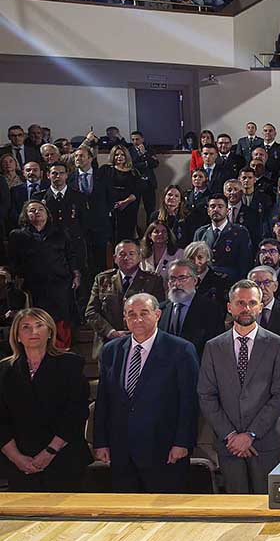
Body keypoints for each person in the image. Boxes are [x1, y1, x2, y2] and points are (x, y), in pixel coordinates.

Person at [93, 293, 200, 493]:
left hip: (165, 449)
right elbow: (103, 401)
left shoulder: (181, 350)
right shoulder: (111, 350)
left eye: (144, 313)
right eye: (131, 314)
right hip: (121, 451)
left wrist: (182, 442)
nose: (137, 319)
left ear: (157, 314)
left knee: (164, 515)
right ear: (124, 317)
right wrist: (101, 442)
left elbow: (189, 402)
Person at [197, 280, 280, 494]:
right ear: (229, 307)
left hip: (265, 444)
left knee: (266, 508)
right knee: (234, 508)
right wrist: (231, 435)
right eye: (240, 303)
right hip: (228, 445)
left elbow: (279, 395)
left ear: (260, 306)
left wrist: (250, 435)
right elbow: (206, 395)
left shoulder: (278, 344)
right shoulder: (213, 347)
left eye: (252, 303)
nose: (246, 308)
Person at [0, 308, 90, 491]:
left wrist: (49, 452)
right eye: (26, 327)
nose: (33, 332)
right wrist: (16, 457)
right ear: (17, 335)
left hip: (63, 459)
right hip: (20, 463)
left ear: (49, 332)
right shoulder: (4, 370)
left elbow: (75, 414)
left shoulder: (70, 364)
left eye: (39, 325)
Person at [7, 200, 81, 343]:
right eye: (32, 210)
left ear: (47, 213)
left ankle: (62, 351)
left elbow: (71, 255)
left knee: (62, 321)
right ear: (26, 216)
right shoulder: (17, 235)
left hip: (60, 283)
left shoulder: (60, 232)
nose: (37, 212)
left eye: (40, 209)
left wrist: (76, 274)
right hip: (33, 286)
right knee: (38, 321)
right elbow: (13, 260)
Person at [84, 240, 166, 355]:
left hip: (142, 344)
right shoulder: (102, 279)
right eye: (122, 254)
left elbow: (159, 311)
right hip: (108, 345)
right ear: (115, 258)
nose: (127, 258)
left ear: (139, 257)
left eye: (131, 254)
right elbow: (91, 312)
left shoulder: (153, 281)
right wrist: (111, 332)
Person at [159, 259, 227, 360]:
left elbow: (215, 347)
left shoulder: (211, 309)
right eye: (172, 279)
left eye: (182, 278)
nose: (176, 284)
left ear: (195, 281)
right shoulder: (161, 309)